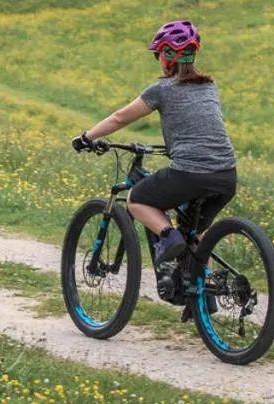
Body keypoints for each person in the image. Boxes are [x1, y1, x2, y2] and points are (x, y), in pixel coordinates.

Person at [71, 19, 237, 267]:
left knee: (136, 199)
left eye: (158, 54)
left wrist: (86, 137)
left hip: (191, 173)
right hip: (227, 176)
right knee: (194, 234)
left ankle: (168, 236)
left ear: (168, 56)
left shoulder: (161, 90)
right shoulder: (209, 86)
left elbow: (120, 118)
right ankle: (205, 287)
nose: (158, 59)